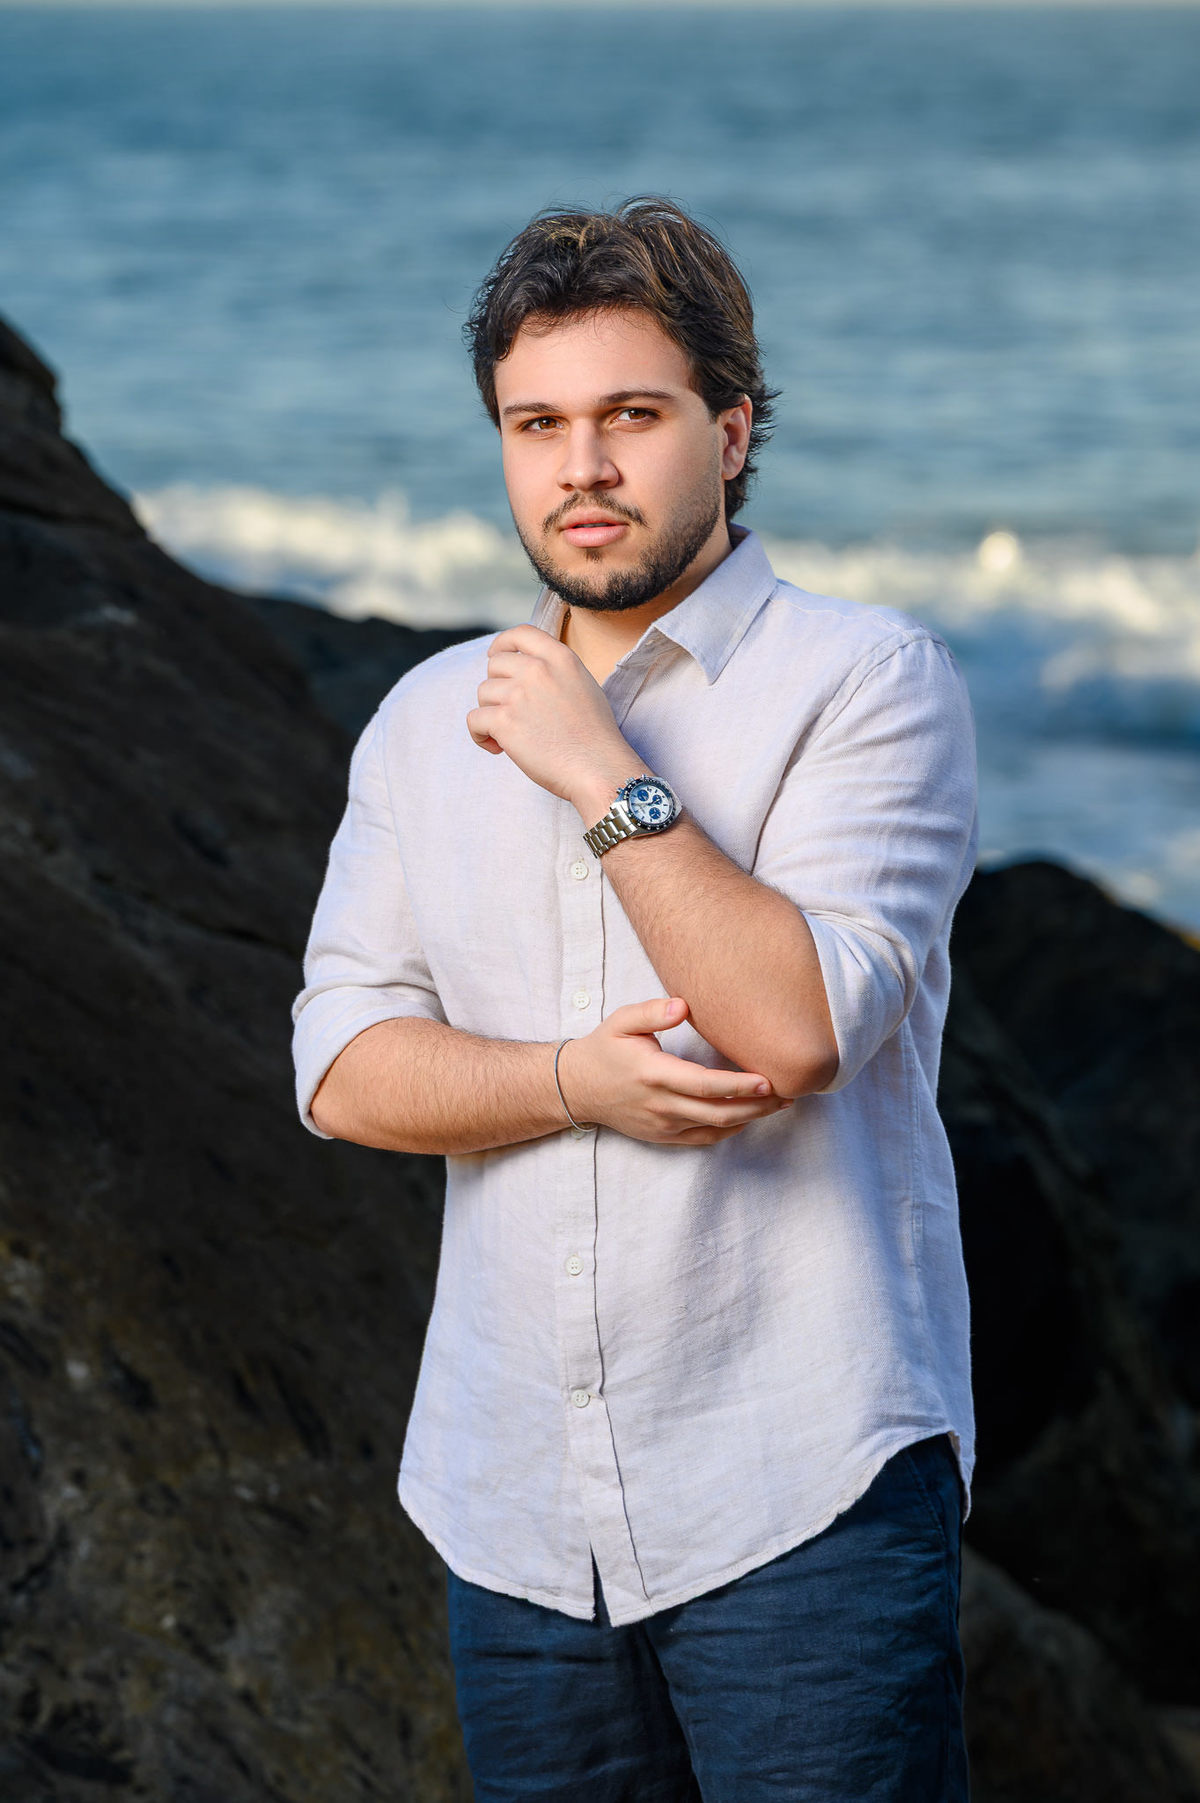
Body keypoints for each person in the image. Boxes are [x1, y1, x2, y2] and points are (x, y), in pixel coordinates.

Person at [292, 197, 978, 1801]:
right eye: (536, 425)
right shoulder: (420, 723)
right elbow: (337, 1063)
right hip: (515, 1517)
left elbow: (796, 1029)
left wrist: (605, 770)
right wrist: (564, 1083)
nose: (580, 467)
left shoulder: (869, 681)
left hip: (800, 1494)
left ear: (730, 433)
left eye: (631, 418)